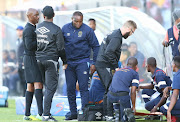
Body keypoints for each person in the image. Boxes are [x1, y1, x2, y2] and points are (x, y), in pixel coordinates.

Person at [62, 11, 99, 120]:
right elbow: (59, 45)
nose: (78, 23)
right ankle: (73, 112)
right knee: (70, 88)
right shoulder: (64, 29)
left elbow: (96, 46)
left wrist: (94, 63)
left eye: (81, 21)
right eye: (76, 21)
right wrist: (63, 61)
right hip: (69, 63)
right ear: (72, 19)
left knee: (83, 88)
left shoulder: (87, 30)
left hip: (82, 62)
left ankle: (84, 112)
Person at [95, 20, 137, 116]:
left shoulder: (116, 34)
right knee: (110, 89)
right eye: (132, 32)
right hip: (104, 64)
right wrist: (116, 67)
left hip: (104, 64)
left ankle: (108, 114)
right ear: (128, 28)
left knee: (108, 89)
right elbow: (109, 52)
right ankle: (109, 115)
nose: (130, 34)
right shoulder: (116, 37)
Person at [36, 6, 67, 121]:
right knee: (50, 88)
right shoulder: (57, 29)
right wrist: (65, 61)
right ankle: (46, 115)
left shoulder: (36, 28)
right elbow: (61, 48)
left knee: (39, 86)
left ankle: (40, 113)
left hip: (37, 60)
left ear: (43, 16)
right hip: (51, 61)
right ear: (53, 15)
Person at [23, 8, 43, 121]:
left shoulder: (33, 28)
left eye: (38, 15)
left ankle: (27, 114)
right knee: (38, 84)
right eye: (35, 15)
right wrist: (41, 39)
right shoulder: (28, 29)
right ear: (29, 16)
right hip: (31, 59)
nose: (38, 17)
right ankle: (40, 114)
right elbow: (29, 45)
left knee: (30, 85)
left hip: (30, 58)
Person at [107, 57, 139, 121]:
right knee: (128, 117)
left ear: (127, 64)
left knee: (119, 114)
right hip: (122, 97)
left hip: (110, 96)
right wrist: (134, 107)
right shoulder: (135, 73)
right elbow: (133, 91)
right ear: (136, 66)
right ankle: (124, 116)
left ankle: (117, 114)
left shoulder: (118, 71)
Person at [160, 56, 180, 122]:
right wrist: (169, 88)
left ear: (174, 65)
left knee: (164, 108)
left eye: (172, 63)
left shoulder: (177, 75)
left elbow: (175, 95)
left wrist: (169, 111)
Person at [16, 26, 26, 96]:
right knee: (21, 80)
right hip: (19, 63)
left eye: (20, 30)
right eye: (18, 30)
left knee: (25, 80)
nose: (19, 32)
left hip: (24, 63)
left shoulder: (25, 40)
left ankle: (25, 95)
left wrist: (24, 61)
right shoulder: (17, 40)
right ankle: (23, 94)